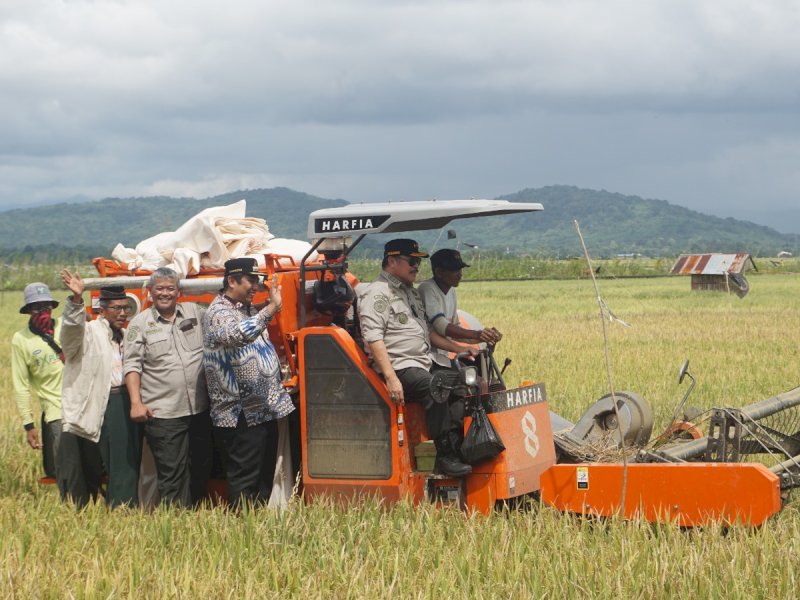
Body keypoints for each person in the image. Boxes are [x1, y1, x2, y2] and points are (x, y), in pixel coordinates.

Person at [357, 239, 473, 478]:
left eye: (418, 261)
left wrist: (458, 348)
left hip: (421, 362)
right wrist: (391, 378)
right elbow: (373, 338)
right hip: (398, 366)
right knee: (437, 386)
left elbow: (429, 332)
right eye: (412, 261)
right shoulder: (377, 293)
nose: (416, 267)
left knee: (461, 384)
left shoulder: (409, 291)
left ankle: (459, 448)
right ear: (392, 261)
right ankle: (444, 456)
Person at [203, 258, 295, 509]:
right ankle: (243, 531)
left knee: (263, 477)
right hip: (238, 413)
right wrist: (270, 309)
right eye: (251, 280)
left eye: (258, 280)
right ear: (232, 281)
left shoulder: (246, 308)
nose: (255, 286)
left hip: (261, 408)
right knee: (244, 477)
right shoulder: (218, 312)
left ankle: (258, 526)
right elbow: (236, 335)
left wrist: (267, 304)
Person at [124, 267, 212, 507]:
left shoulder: (195, 313)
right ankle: (174, 525)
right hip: (164, 413)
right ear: (151, 292)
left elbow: (219, 321)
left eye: (170, 288)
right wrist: (135, 403)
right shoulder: (140, 324)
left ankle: (194, 518)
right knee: (172, 474)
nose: (165, 293)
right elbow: (131, 365)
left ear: (179, 291)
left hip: (199, 409)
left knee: (200, 468)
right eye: (160, 289)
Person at [57, 271, 142, 508]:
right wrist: (76, 300)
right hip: (94, 402)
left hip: (122, 401)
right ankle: (78, 510)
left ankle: (123, 507)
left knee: (123, 460)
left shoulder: (127, 336)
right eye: (116, 308)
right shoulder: (90, 331)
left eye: (126, 308)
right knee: (84, 463)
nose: (122, 313)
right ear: (102, 310)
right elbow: (71, 334)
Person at [417, 248, 502, 372]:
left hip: (442, 356)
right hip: (428, 357)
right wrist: (476, 334)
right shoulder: (427, 289)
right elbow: (441, 326)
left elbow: (455, 330)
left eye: (460, 269)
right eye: (454, 270)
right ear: (439, 272)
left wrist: (483, 336)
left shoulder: (451, 291)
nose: (460, 274)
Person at [11, 282, 64, 481]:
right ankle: (72, 507)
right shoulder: (21, 340)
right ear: (28, 311)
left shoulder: (65, 326)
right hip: (55, 410)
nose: (43, 312)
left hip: (82, 403)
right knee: (64, 467)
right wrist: (28, 425)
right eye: (37, 308)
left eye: (46, 307)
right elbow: (21, 385)